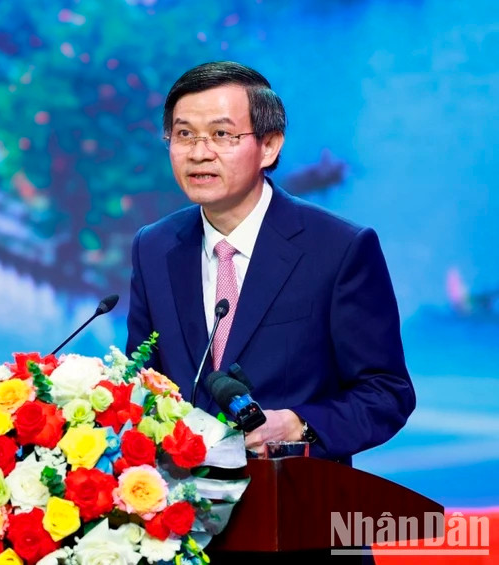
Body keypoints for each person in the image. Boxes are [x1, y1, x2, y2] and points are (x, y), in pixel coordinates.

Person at [125, 61, 416, 466]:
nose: (199, 152)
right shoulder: (154, 247)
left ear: (269, 146)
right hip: (180, 512)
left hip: (294, 501)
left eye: (222, 134)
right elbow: (141, 382)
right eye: (183, 134)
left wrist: (299, 425)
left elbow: (386, 393)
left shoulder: (339, 248)